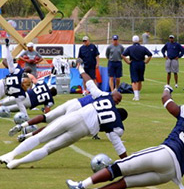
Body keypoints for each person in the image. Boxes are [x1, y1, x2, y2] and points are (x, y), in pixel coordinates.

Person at [65, 85, 184, 189]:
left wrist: (167, 89)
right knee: (126, 183)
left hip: (165, 154)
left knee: (120, 167)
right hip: (172, 174)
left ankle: (80, 185)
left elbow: (166, 101)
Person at [0, 72, 128, 169]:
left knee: (42, 136)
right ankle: (18, 162)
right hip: (82, 130)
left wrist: (80, 69)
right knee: (49, 148)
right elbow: (118, 145)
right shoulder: (117, 124)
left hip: (75, 116)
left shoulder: (103, 96)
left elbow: (89, 83)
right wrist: (127, 162)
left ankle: (11, 154)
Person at [8, 94, 95, 142]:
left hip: (73, 101)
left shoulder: (98, 92)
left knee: (45, 117)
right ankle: (26, 136)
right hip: (78, 108)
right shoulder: (105, 99)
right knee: (54, 126)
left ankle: (21, 125)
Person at [0, 38, 31, 115]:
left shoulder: (16, 70)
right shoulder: (15, 69)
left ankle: (25, 115)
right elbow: (8, 60)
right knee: (19, 101)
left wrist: (7, 47)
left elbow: (9, 60)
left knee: (20, 102)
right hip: (4, 85)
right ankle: (25, 115)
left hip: (9, 88)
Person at [122, 35, 152, 101]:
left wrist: (128, 61)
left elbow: (123, 55)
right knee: (140, 80)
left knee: (134, 80)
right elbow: (150, 54)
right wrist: (146, 61)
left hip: (134, 63)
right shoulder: (142, 48)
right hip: (141, 63)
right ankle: (138, 94)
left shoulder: (130, 48)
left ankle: (136, 96)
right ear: (138, 40)